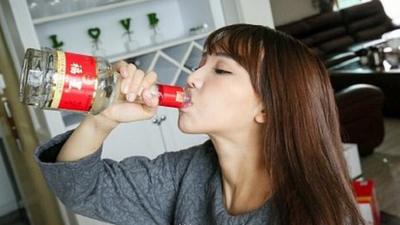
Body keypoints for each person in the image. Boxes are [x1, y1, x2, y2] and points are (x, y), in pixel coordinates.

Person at [35, 24, 365, 225]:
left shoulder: (313, 214)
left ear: (267, 107)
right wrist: (101, 120)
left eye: (221, 70)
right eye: (199, 64)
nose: (191, 78)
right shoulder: (186, 174)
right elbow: (83, 191)